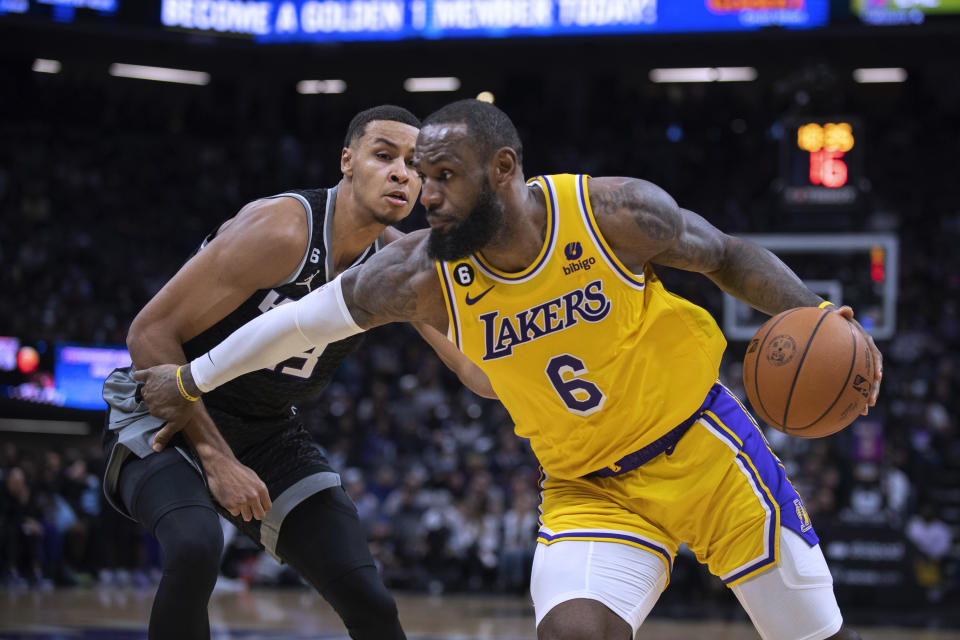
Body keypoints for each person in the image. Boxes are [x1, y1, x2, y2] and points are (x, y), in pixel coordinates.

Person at [135, 100, 883, 640]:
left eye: (445, 176)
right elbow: (298, 322)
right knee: (572, 634)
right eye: (422, 176)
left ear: (503, 169)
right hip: (588, 487)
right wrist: (192, 379)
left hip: (706, 453)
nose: (426, 195)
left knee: (812, 634)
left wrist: (822, 315)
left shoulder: (613, 212)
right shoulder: (418, 274)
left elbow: (728, 257)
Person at [102, 104, 492, 640]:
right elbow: (148, 333)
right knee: (195, 547)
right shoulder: (282, 229)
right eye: (385, 156)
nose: (404, 173)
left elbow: (476, 371)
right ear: (347, 161)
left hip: (267, 431)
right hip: (169, 412)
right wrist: (217, 459)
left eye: (417, 165)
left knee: (369, 598)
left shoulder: (399, 266)